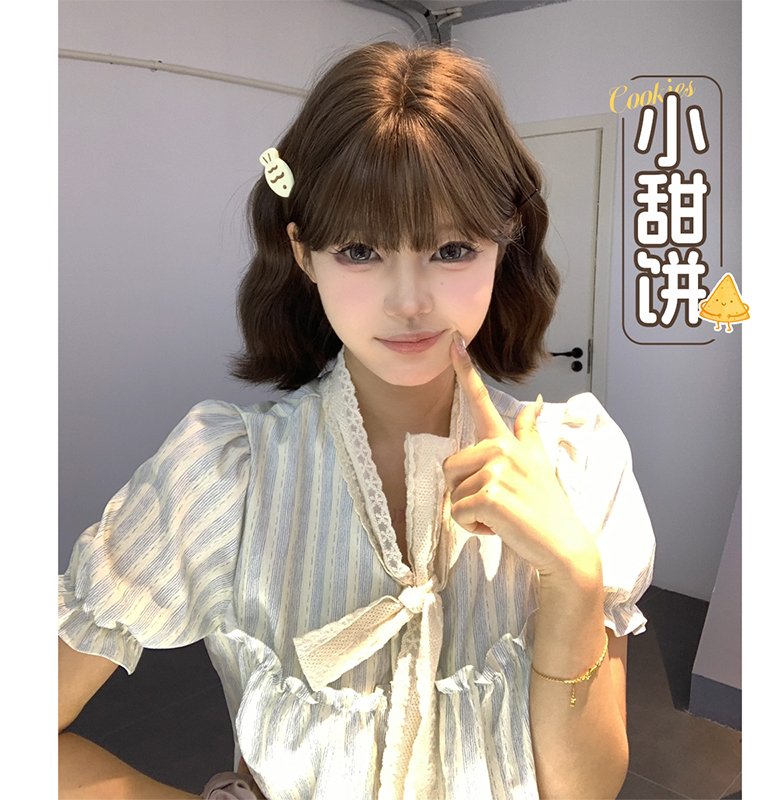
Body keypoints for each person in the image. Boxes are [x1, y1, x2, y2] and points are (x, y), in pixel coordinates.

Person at [58, 41, 655, 800]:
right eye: (361, 249)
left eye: (451, 248)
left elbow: (586, 789)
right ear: (303, 254)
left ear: (504, 241)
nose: (409, 301)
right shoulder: (224, 477)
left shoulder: (580, 465)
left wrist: (572, 577)